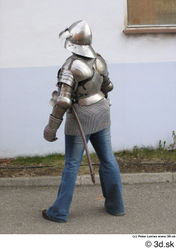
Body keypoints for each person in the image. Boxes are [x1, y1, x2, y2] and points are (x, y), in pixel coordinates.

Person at [42, 20, 125, 223]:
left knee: (71, 165)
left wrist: (50, 129)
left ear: (73, 41)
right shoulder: (99, 59)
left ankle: (59, 212)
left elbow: (62, 101)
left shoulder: (71, 66)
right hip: (102, 112)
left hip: (81, 116)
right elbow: (109, 86)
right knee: (108, 159)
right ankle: (116, 207)